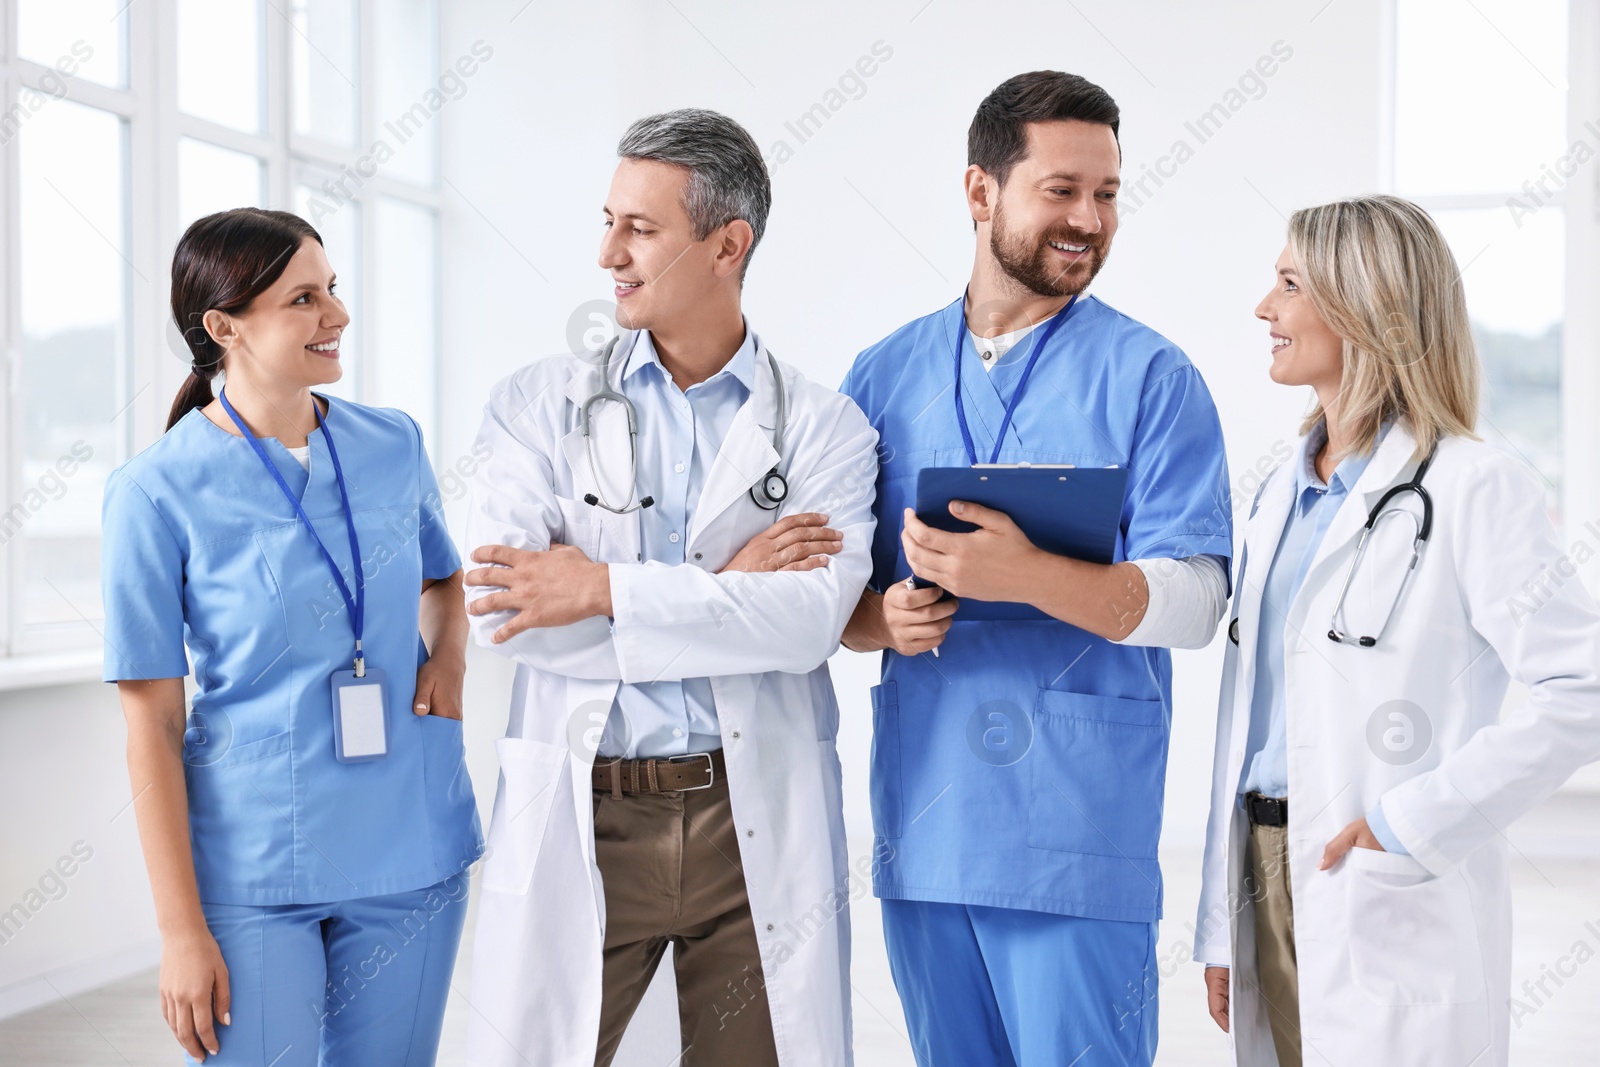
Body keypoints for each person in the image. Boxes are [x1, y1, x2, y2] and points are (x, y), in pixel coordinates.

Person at [461, 109, 879, 1067]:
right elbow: (508, 615)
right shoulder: (535, 406)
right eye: (608, 220)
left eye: (639, 228)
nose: (608, 252)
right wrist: (723, 587)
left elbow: (808, 621)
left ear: (728, 244)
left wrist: (602, 586)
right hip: (585, 809)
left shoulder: (825, 429)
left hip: (748, 819)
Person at [839, 71, 1232, 1066]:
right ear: (981, 193)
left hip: (1075, 834)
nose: (1089, 219)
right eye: (1060, 190)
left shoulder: (1151, 376)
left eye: (1105, 194)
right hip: (929, 830)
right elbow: (829, 601)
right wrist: (885, 617)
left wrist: (1023, 573)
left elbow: (1194, 602)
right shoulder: (883, 375)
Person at [1194, 195, 1600, 1067]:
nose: (1264, 307)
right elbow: (1251, 719)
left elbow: (1582, 692)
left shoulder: (1474, 487)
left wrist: (1409, 823)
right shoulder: (1278, 496)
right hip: (1264, 865)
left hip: (1375, 866)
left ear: (1362, 307)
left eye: (1289, 283)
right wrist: (1219, 919)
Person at [102, 208, 482, 1066]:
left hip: (410, 847)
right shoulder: (154, 493)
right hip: (253, 871)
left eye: (333, 289)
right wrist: (179, 929)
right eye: (303, 298)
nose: (336, 315)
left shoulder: (393, 443)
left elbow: (443, 575)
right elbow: (153, 724)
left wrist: (448, 654)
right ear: (223, 325)